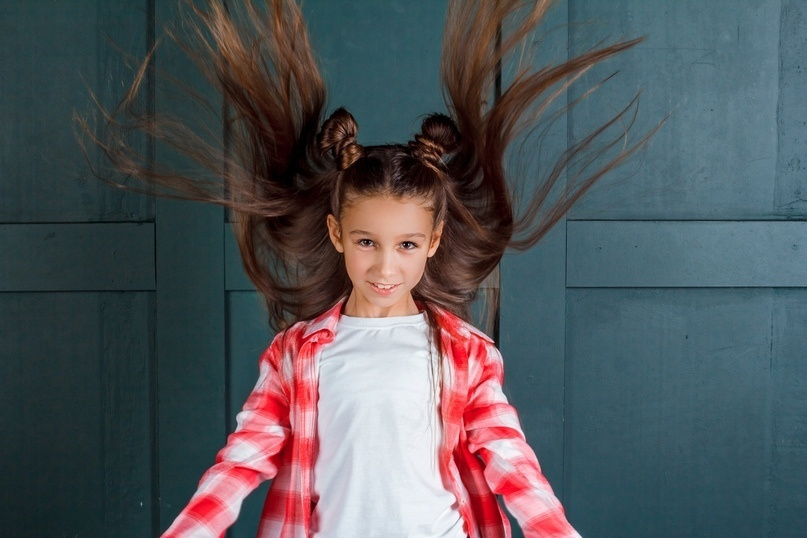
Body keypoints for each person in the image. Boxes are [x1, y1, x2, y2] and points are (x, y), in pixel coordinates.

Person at [81, 0, 652, 535]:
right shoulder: (295, 354)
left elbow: (513, 464)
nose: (384, 265)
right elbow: (241, 461)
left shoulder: (467, 354)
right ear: (336, 235)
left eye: (406, 245)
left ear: (433, 242)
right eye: (365, 242)